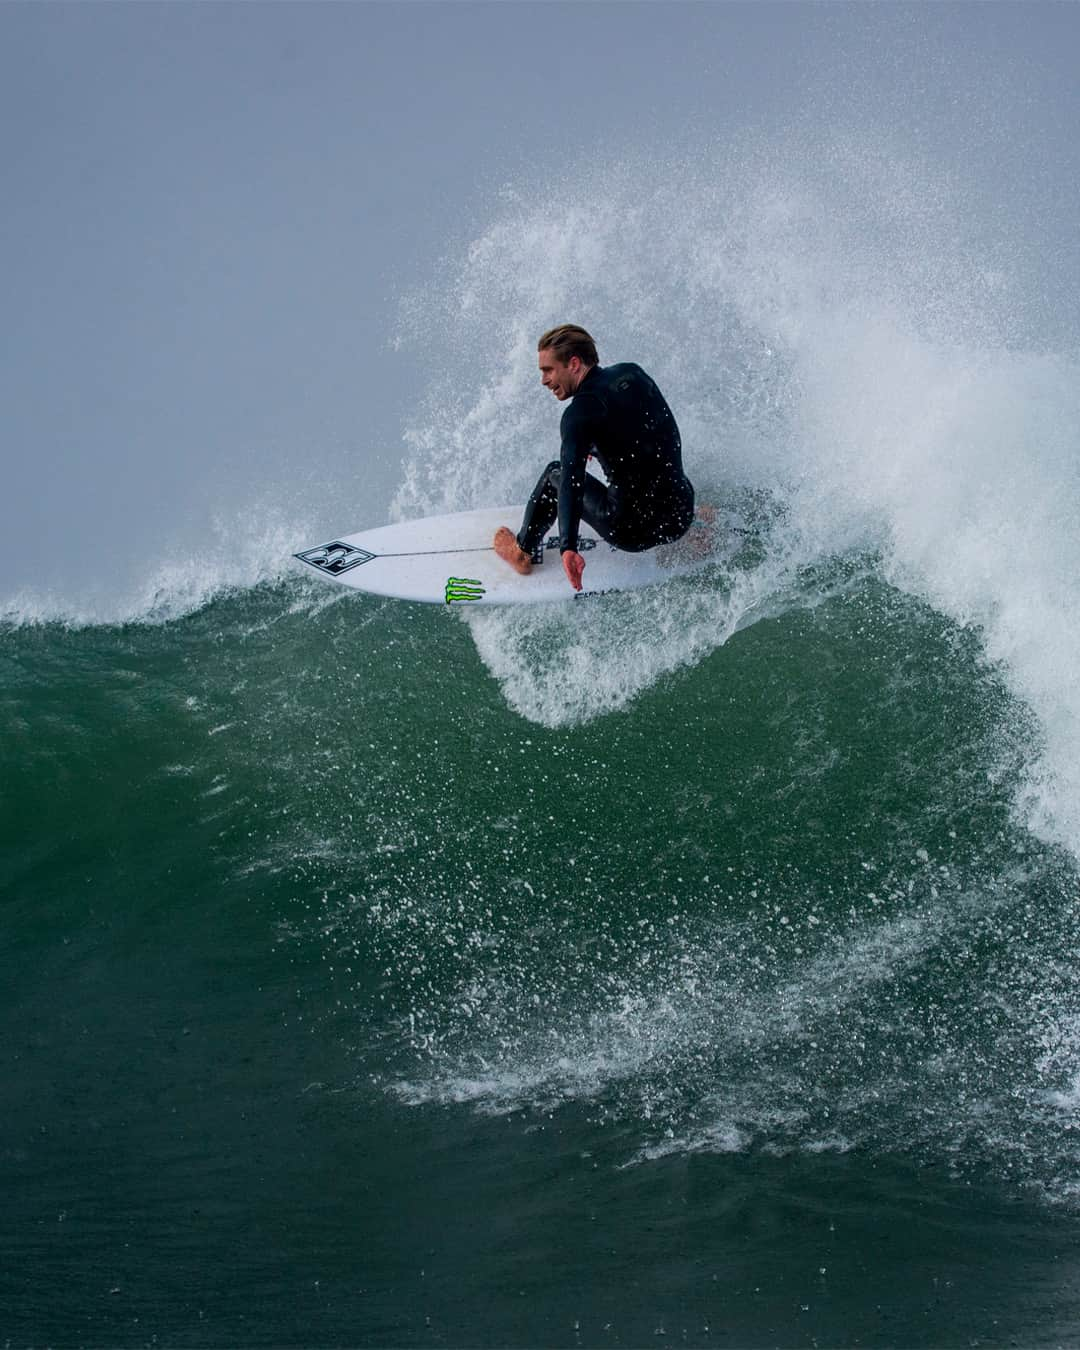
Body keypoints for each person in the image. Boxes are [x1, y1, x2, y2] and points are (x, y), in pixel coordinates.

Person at [494, 325, 695, 592]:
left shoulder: (578, 415)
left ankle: (522, 552)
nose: (543, 380)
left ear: (574, 364)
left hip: (632, 532)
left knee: (554, 471)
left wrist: (569, 547)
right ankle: (699, 522)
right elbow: (664, 433)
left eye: (548, 370)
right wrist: (599, 445)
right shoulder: (632, 373)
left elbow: (570, 483)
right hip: (681, 514)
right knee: (659, 461)